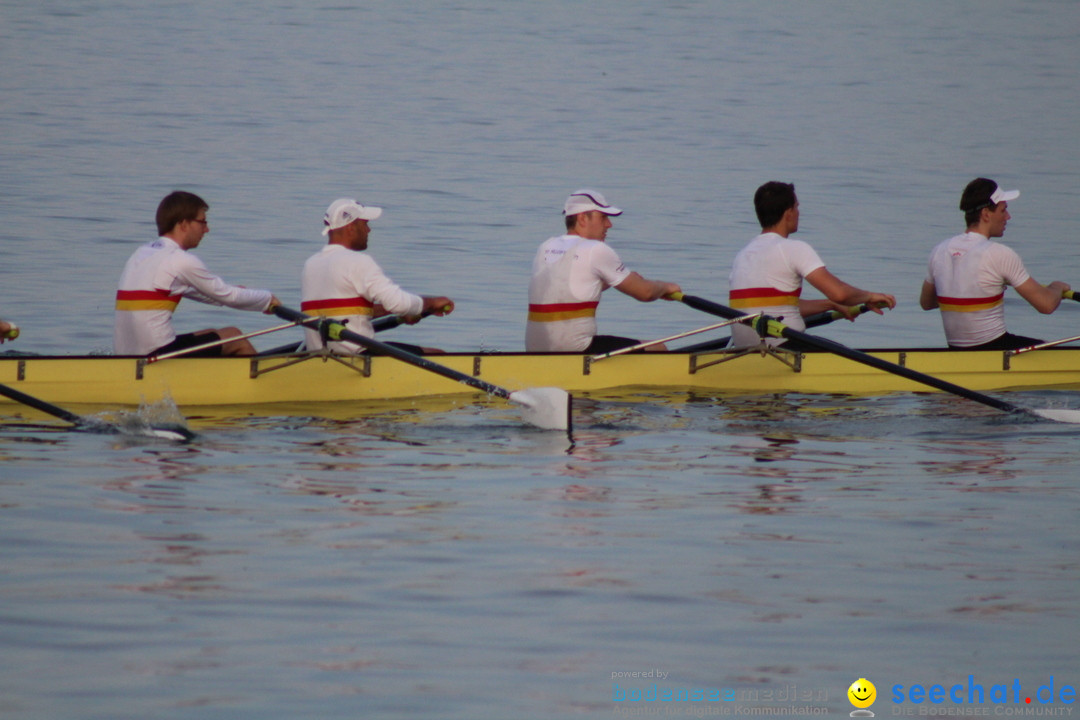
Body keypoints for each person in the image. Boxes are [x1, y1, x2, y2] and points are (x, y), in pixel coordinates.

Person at [728, 181, 896, 349]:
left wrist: (830, 305)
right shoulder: (793, 249)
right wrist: (870, 297)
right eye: (796, 207)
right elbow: (840, 294)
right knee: (850, 357)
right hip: (785, 348)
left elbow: (777, 307)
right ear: (788, 213)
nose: (799, 212)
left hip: (745, 350)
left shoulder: (743, 255)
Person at [114, 191, 280, 357]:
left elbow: (202, 291)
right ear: (184, 224)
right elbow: (229, 296)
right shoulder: (180, 260)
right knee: (235, 337)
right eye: (202, 222)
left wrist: (240, 294)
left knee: (210, 333)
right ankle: (262, 382)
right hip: (154, 355)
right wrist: (267, 300)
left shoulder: (141, 253)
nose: (206, 229)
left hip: (126, 354)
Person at [920, 178, 1070, 350]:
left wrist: (962, 287)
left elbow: (927, 303)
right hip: (994, 351)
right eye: (1003, 210)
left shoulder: (940, 250)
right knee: (1051, 349)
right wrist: (1056, 288)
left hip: (956, 352)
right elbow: (1046, 305)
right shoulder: (999, 254)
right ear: (985, 214)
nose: (1008, 217)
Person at [526, 190, 682, 353]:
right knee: (658, 348)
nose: (609, 224)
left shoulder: (545, 246)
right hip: (577, 350)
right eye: (603, 217)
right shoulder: (596, 249)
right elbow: (646, 293)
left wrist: (611, 282)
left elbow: (569, 289)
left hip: (535, 349)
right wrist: (666, 287)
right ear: (582, 218)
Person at [300, 198, 454, 355]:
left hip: (320, 356)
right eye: (365, 224)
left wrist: (402, 313)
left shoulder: (310, 265)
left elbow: (344, 312)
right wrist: (431, 303)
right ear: (351, 227)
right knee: (439, 355)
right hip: (358, 358)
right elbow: (399, 303)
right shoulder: (358, 262)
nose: (368, 230)